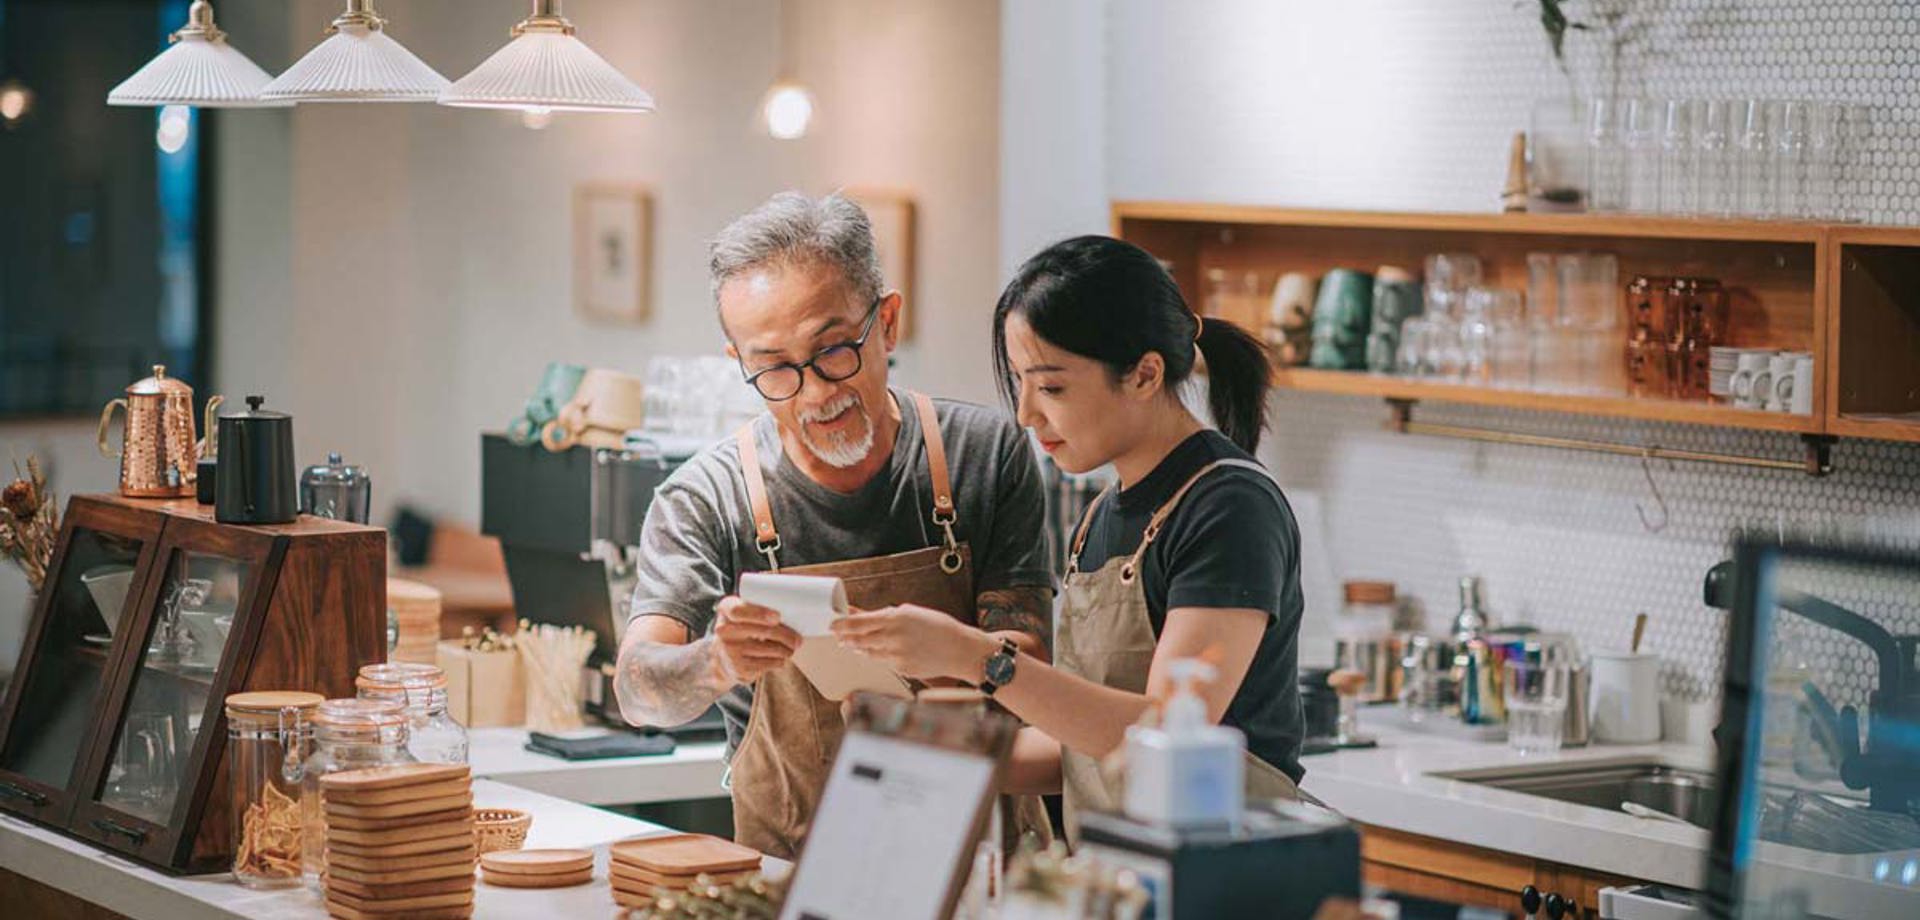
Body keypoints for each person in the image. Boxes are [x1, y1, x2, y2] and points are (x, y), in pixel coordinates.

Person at [612, 192, 1055, 859]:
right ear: (740, 364)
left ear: (887, 323)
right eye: (775, 370)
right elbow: (637, 692)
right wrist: (717, 660)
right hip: (794, 871)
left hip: (985, 862)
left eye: (833, 351)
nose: (817, 392)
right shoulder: (705, 497)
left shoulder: (984, 456)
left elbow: (1025, 661)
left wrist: (938, 685)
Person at [833, 235, 1308, 840]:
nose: (1027, 413)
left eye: (1051, 387)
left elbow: (1163, 735)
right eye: (1020, 383)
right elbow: (1085, 753)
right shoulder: (1103, 515)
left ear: (1144, 374)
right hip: (1125, 876)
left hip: (1227, 877)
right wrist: (920, 742)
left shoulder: (1229, 507)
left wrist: (973, 657)